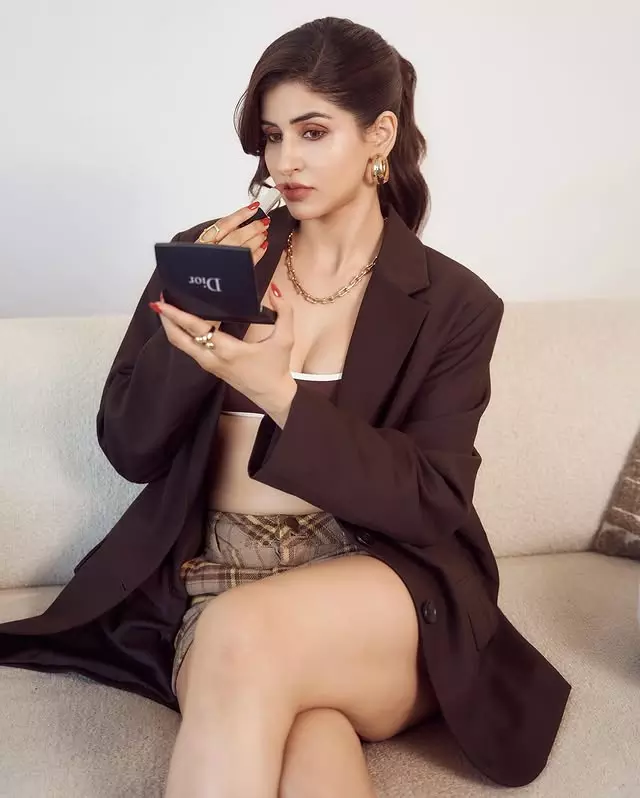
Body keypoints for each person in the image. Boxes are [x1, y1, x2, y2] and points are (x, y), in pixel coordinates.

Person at [0, 16, 571, 798]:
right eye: (272, 137)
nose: (284, 162)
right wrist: (193, 324)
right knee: (312, 734)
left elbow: (432, 500)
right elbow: (131, 449)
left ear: (379, 135)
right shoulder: (215, 259)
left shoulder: (454, 303)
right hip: (217, 574)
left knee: (243, 635)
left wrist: (276, 390)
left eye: (312, 132)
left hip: (380, 578)